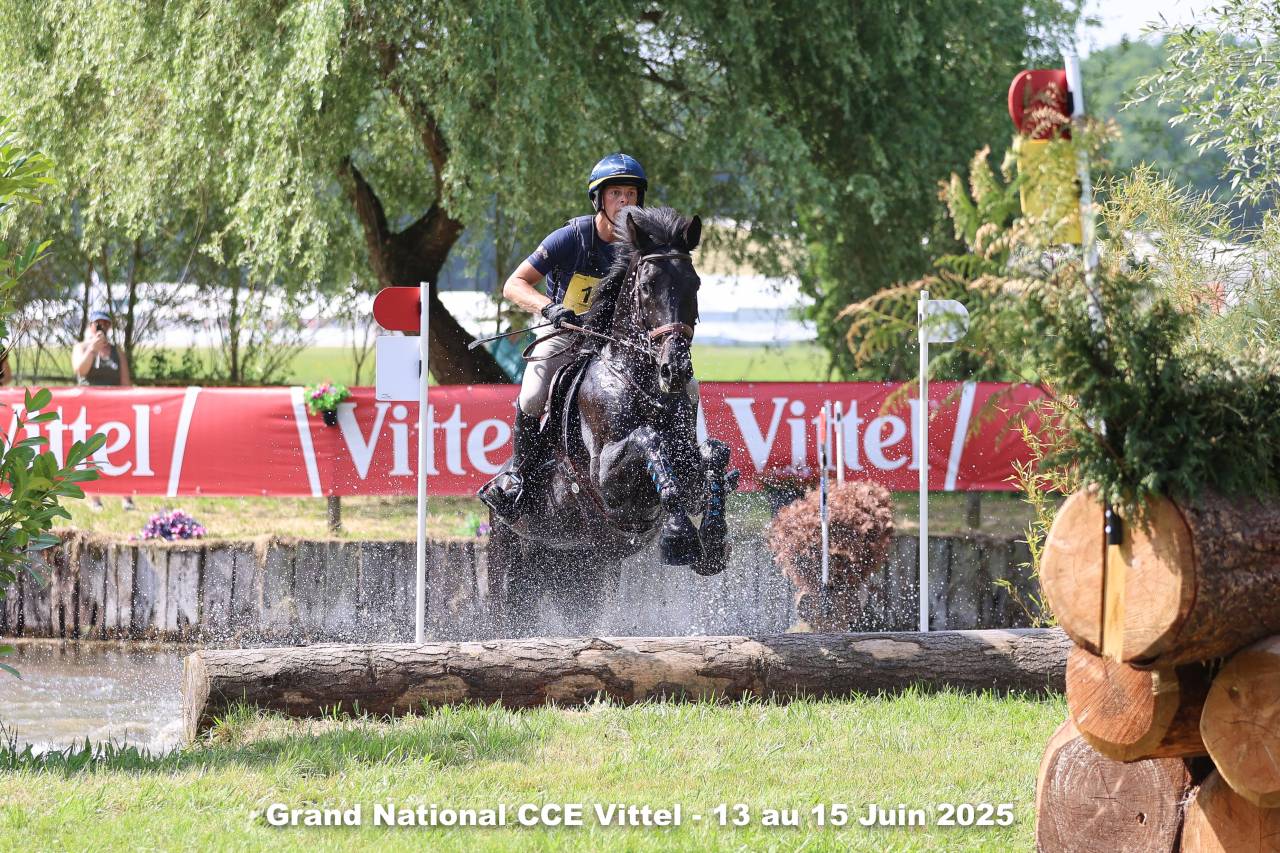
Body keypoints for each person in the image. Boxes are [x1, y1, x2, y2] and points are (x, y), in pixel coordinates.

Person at [479, 153, 649, 519]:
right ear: (598, 199)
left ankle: (693, 463)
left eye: (631, 194)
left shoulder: (642, 244)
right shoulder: (570, 238)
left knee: (676, 384)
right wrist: (548, 308)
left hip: (614, 341)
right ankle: (518, 476)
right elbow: (514, 284)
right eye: (615, 193)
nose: (624, 201)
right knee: (533, 394)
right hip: (564, 332)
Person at [72, 309, 135, 510]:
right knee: (92, 453)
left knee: (122, 450)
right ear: (90, 326)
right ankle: (95, 499)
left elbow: (125, 382)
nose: (102, 327)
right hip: (89, 409)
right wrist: (93, 349)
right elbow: (80, 370)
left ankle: (126, 497)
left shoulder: (117, 352)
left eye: (106, 323)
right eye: (98, 323)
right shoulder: (81, 347)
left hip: (115, 407)